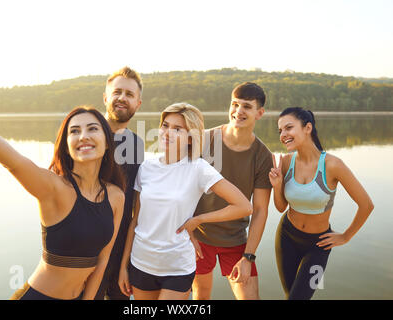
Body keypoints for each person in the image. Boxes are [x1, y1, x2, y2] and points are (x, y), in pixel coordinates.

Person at [0, 63, 125, 300]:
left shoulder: (115, 196)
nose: (83, 136)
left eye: (92, 129)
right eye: (74, 131)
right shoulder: (53, 187)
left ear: (107, 141)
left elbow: (102, 261)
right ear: (66, 146)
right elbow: (13, 161)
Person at [118, 103, 253, 300]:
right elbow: (135, 221)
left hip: (177, 266)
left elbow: (244, 206)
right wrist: (123, 266)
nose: (167, 133)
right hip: (141, 262)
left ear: (191, 138)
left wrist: (198, 220)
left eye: (177, 129)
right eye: (165, 125)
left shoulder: (198, 168)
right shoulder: (146, 167)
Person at [270, 107, 374, 300]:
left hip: (318, 246)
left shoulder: (333, 165)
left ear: (308, 127)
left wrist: (345, 236)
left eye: (289, 128)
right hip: (286, 237)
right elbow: (280, 207)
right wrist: (277, 186)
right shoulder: (285, 162)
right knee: (290, 296)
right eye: (280, 131)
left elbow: (366, 205)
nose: (283, 135)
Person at [192, 82, 273, 300]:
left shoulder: (263, 156)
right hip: (198, 237)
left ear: (260, 113)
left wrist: (249, 256)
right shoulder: (204, 140)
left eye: (246, 106)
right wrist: (188, 233)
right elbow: (182, 192)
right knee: (201, 296)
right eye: (235, 104)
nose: (238, 111)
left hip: (236, 240)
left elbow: (260, 210)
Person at [94, 66, 145, 300]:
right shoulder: (84, 135)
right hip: (86, 250)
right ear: (106, 97)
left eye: (129, 94)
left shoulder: (136, 145)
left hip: (121, 251)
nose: (122, 98)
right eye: (117, 92)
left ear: (137, 104)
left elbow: (136, 204)